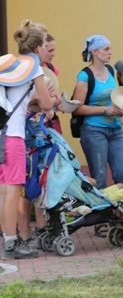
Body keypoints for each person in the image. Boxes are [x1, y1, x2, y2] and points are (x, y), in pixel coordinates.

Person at [1, 20, 53, 260]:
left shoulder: (9, 63)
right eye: (45, 44)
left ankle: (8, 240)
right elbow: (47, 104)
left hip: (1, 134)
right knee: (13, 191)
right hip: (13, 137)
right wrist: (40, 102)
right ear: (38, 48)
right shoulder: (34, 68)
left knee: (4, 192)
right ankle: (12, 245)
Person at [71, 35, 123, 189]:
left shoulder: (110, 70)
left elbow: (113, 96)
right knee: (100, 176)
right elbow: (77, 107)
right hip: (94, 131)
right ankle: (103, 212)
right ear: (95, 52)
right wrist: (105, 110)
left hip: (115, 129)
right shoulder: (85, 75)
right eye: (106, 49)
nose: (110, 52)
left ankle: (121, 210)